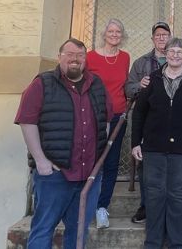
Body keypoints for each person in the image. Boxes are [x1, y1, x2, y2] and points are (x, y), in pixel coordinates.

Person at [14, 38, 112, 249]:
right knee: (43, 229)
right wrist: (41, 161)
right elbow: (26, 121)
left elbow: (105, 121)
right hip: (55, 175)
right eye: (69, 55)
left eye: (79, 56)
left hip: (88, 177)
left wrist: (98, 160)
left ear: (85, 59)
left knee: (78, 233)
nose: (74, 60)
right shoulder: (42, 84)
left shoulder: (96, 84)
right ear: (60, 58)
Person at [131, 37, 182, 249]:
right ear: (165, 53)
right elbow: (139, 112)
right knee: (155, 196)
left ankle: (178, 244)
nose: (175, 55)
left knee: (179, 197)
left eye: (180, 52)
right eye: (172, 51)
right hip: (153, 148)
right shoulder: (153, 79)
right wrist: (135, 143)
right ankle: (153, 243)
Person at [85, 18, 131, 229]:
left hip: (118, 116)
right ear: (104, 34)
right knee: (92, 160)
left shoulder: (124, 58)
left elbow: (124, 86)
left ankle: (102, 207)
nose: (114, 34)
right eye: (111, 31)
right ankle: (85, 204)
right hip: (94, 116)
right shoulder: (90, 57)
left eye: (118, 31)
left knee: (111, 162)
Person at [125, 21, 172, 223]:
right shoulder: (141, 62)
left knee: (173, 164)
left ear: (170, 37)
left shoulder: (181, 60)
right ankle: (146, 205)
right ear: (152, 38)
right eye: (158, 35)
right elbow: (128, 88)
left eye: (165, 34)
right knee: (146, 165)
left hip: (173, 122)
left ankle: (170, 206)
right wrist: (139, 85)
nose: (161, 38)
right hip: (148, 122)